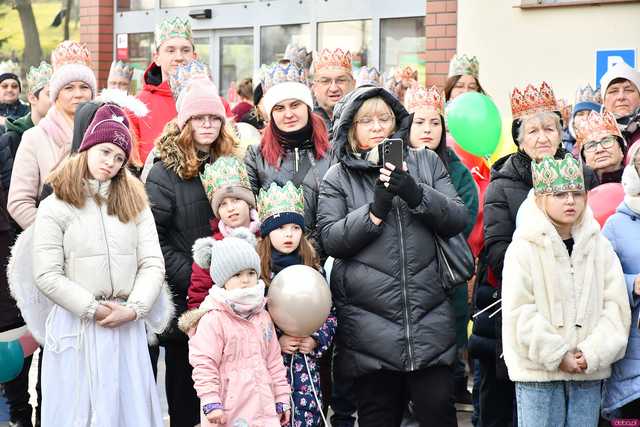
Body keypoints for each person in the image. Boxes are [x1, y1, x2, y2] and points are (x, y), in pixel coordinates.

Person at [317, 85, 467, 427]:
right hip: (369, 332)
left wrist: (417, 194)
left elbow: (457, 217)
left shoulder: (426, 162)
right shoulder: (338, 177)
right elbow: (330, 240)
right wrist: (374, 211)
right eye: (366, 120)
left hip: (429, 322)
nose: (377, 127)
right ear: (351, 128)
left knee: (438, 414)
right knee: (378, 417)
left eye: (384, 118)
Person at [30, 104, 170, 426]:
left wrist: (135, 308)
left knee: (127, 410)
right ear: (88, 147)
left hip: (125, 323)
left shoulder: (135, 203)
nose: (111, 162)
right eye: (105, 151)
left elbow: (151, 263)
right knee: (80, 411)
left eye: (119, 157)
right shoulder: (56, 205)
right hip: (78, 324)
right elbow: (47, 273)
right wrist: (92, 308)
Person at [469, 82, 598, 427]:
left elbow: (594, 242)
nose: (542, 137)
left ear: (561, 132)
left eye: (550, 128)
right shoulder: (503, 183)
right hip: (514, 306)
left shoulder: (582, 176)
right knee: (502, 407)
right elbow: (497, 250)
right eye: (533, 130)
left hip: (572, 311)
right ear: (519, 137)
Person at [502, 154, 630, 427]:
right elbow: (519, 310)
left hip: (588, 373)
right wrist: (558, 354)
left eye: (576, 193)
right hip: (539, 374)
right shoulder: (523, 248)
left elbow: (616, 307)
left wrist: (593, 352)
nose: (570, 201)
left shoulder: (600, 247)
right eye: (559, 194)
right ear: (540, 199)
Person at [145, 63, 238, 427]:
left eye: (213, 118)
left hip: (230, 294)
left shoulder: (231, 164)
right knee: (186, 388)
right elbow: (154, 238)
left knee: (227, 390)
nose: (207, 125)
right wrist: (197, 274)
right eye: (198, 118)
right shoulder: (163, 171)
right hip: (189, 298)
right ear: (184, 122)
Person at [405, 85, 479, 412]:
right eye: (419, 122)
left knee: (445, 350)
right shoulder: (396, 163)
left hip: (445, 271)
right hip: (404, 273)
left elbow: (462, 216)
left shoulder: (459, 170)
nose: (427, 130)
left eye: (434, 123)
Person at [178, 229, 291, 427]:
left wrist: (282, 396)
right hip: (228, 409)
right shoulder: (213, 318)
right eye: (237, 274)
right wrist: (210, 399)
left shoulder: (262, 315)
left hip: (263, 407)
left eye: (250, 273)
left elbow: (273, 360)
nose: (246, 279)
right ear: (223, 280)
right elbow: (204, 363)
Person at [256, 181, 337, 427]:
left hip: (306, 365)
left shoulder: (313, 269)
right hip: (269, 369)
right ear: (268, 232)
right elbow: (251, 321)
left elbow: (330, 314)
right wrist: (276, 341)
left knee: (307, 417)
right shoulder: (257, 274)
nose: (289, 234)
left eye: (295, 227)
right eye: (281, 227)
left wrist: (315, 339)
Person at [0, 60, 52, 427]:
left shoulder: (4, 140)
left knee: (15, 328)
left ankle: (21, 412)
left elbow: (11, 194)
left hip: (5, 243)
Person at [8, 40, 96, 230]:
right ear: (56, 94)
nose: (78, 94)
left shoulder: (105, 132)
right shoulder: (35, 137)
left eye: (84, 87)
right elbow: (18, 202)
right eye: (69, 88)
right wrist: (53, 234)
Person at [244, 62, 331, 251]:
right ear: (271, 114)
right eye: (279, 108)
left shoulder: (332, 153)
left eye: (295, 105)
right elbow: (250, 215)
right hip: (276, 260)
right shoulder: (256, 156)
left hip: (326, 256)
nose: (289, 114)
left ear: (307, 107)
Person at [187, 156, 260, 309]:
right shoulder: (214, 248)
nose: (230, 208)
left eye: (236, 200)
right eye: (223, 204)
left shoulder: (268, 237)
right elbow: (198, 294)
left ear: (248, 203)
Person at [602, 143, 640, 421]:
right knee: (629, 420)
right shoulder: (615, 225)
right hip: (631, 360)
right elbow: (599, 281)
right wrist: (632, 284)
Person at [130, 17, 196, 164]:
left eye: (185, 50)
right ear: (157, 58)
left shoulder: (215, 104)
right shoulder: (136, 107)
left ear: (194, 57)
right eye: (170, 50)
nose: (179, 57)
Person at [311, 48, 355, 133]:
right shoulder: (305, 124)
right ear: (314, 87)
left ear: (353, 84)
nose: (333, 88)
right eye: (325, 81)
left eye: (341, 80)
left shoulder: (364, 120)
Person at [576, 110, 626, 185]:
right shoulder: (577, 190)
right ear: (584, 158)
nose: (600, 149)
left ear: (621, 149)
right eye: (591, 145)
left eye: (606, 141)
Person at [600, 61, 640, 148]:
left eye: (628, 90)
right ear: (603, 100)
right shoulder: (591, 137)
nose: (621, 97)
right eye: (613, 91)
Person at [564, 84, 602, 155]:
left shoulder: (607, 145)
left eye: (591, 114)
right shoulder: (562, 145)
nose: (585, 118)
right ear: (573, 120)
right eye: (580, 114)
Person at [0, 61, 29, 133]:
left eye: (14, 86)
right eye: (4, 86)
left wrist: (4, 121)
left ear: (19, 90)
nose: (9, 90)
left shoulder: (28, 110)